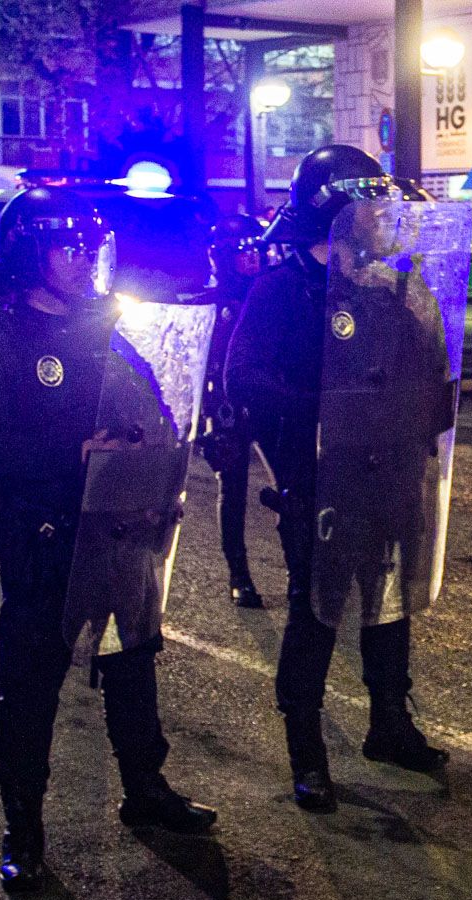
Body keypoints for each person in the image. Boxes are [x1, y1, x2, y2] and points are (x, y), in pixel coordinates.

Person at [0, 186, 218, 893]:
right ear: (28, 254)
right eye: (66, 247)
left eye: (90, 246)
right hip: (43, 532)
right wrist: (70, 451)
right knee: (32, 680)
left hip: (120, 519)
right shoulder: (0, 334)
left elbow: (153, 403)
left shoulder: (109, 327)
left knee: (132, 658)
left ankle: (146, 786)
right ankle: (24, 824)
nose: (83, 259)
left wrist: (174, 432)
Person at [225, 145, 450, 811]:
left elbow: (423, 369)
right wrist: (321, 410)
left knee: (389, 607)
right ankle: (308, 752)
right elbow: (245, 378)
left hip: (388, 473)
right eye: (368, 207)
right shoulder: (283, 288)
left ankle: (390, 723)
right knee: (315, 615)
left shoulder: (388, 288)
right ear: (334, 212)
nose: (381, 219)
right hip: (318, 480)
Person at [197, 213, 269, 607]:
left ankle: (300, 566)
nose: (253, 257)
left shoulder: (271, 294)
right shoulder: (211, 303)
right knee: (234, 489)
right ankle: (238, 573)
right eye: (244, 250)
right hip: (228, 409)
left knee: (292, 486)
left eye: (256, 249)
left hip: (271, 403)